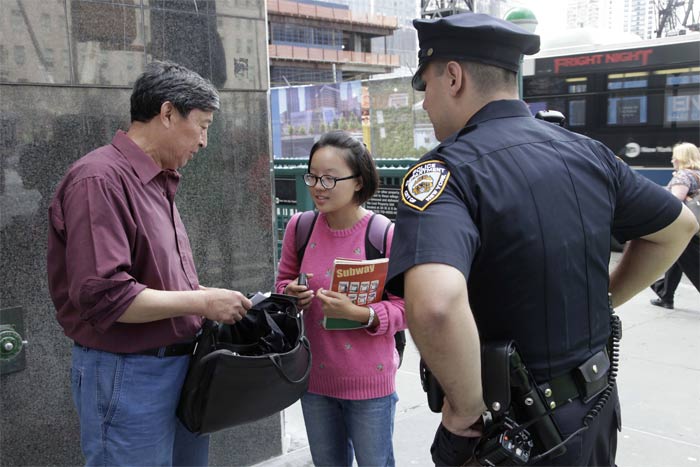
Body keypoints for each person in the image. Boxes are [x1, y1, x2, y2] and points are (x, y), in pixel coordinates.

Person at [385, 12, 699, 466]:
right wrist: (606, 297)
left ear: (452, 77)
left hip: (508, 436)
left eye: (425, 86)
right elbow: (679, 228)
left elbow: (435, 306)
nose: (424, 104)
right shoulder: (589, 153)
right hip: (594, 414)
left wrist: (466, 409)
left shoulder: (444, 173)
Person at [47, 60, 252, 466]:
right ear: (168, 113)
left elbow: (154, 281)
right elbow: (107, 296)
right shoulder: (99, 180)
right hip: (127, 373)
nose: (204, 142)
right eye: (204, 125)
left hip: (175, 369)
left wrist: (206, 295)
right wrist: (202, 303)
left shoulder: (157, 177)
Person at [275, 130, 406, 467]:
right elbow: (281, 285)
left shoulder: (383, 234)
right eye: (313, 176)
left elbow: (406, 308)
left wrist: (362, 314)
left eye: (330, 179)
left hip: (370, 383)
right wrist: (290, 295)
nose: (318, 187)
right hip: (314, 379)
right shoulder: (300, 228)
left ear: (359, 181)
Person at [650, 142, 700, 308]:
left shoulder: (683, 176)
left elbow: (674, 201)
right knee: (677, 258)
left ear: (680, 158)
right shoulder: (697, 174)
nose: (672, 160)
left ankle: (665, 293)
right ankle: (666, 294)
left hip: (684, 228)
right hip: (696, 225)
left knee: (692, 265)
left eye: (674, 156)